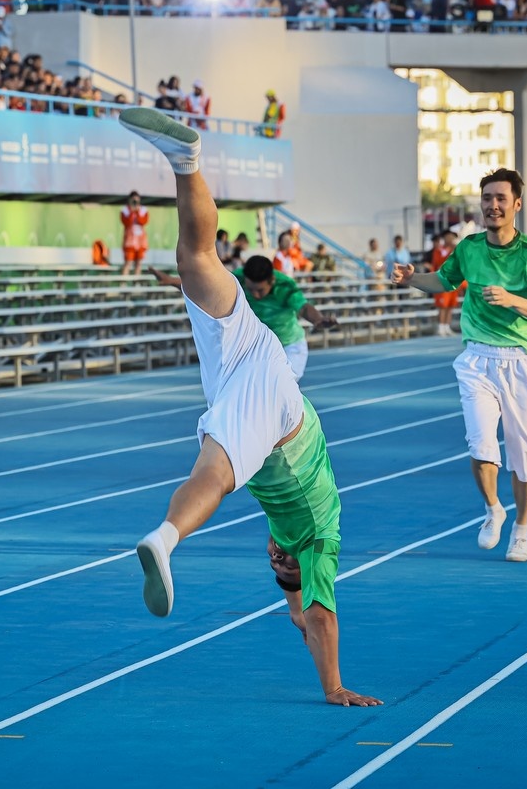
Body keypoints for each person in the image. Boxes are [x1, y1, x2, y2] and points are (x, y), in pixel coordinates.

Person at [120, 106, 381, 707]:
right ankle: (164, 540)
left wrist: (291, 604)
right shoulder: (319, 540)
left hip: (248, 353)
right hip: (278, 418)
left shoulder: (286, 540)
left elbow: (293, 599)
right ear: (294, 559)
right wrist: (333, 684)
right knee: (213, 472)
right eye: (279, 559)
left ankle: (185, 163)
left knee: (197, 262)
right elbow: (319, 615)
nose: (272, 550)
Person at [391, 168, 527, 564]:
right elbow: (444, 282)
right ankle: (493, 509)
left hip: (521, 361)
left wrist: (512, 299)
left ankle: (521, 528)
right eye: (487, 198)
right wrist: (414, 278)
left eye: (501, 198)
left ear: (517, 204)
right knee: (481, 444)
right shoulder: (469, 248)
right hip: (477, 360)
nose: (493, 205)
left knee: (524, 454)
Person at [150, 254, 337, 381]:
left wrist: (318, 319)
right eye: (251, 290)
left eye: (260, 290)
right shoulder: (237, 278)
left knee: (279, 387)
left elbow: (304, 308)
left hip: (288, 345)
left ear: (271, 280)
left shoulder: (285, 286)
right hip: (256, 347)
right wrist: (171, 281)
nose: (255, 295)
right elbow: (205, 288)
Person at [431, 230, 460, 336]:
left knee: (450, 305)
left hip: (453, 282)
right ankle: (441, 326)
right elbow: (440, 263)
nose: (451, 239)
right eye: (450, 237)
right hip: (442, 282)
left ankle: (447, 326)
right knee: (442, 306)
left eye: (453, 237)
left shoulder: (456, 249)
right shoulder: (440, 250)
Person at [121, 191, 150, 276]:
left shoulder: (143, 210)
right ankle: (123, 284)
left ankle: (136, 285)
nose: (135, 202)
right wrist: (131, 211)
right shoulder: (125, 210)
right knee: (128, 262)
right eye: (133, 200)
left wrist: (137, 212)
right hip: (130, 241)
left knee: (139, 263)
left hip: (140, 241)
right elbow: (126, 222)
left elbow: (143, 222)